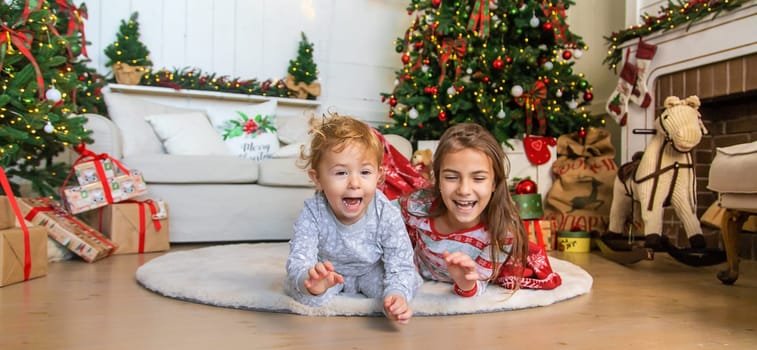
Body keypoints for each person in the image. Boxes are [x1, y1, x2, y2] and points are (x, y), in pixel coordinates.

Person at [284, 114, 422, 324]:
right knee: (302, 291)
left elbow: (400, 261)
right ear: (317, 179)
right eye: (341, 173)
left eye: (365, 172)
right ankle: (316, 286)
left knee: (405, 282)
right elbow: (299, 257)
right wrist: (309, 279)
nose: (355, 183)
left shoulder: (385, 212)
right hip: (329, 274)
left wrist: (397, 294)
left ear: (379, 176)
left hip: (371, 271)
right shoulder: (313, 212)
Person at [398, 123, 562, 297]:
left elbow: (480, 281)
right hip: (418, 269)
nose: (464, 190)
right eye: (451, 177)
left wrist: (466, 282)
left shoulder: (502, 231)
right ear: (438, 180)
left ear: (494, 183)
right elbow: (380, 216)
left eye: (478, 178)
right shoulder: (418, 205)